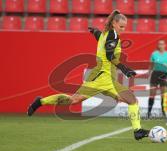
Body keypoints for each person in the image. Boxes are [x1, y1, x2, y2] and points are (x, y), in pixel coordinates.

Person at [27, 10, 149, 140]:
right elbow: (109, 55)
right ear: (114, 23)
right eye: (121, 26)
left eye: (124, 27)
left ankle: (137, 131)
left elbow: (101, 40)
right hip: (100, 77)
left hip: (108, 79)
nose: (123, 29)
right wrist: (125, 69)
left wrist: (95, 32)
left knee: (132, 100)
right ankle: (40, 101)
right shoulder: (112, 35)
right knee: (73, 100)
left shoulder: (106, 34)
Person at [147, 40, 167, 119]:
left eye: (162, 44)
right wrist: (149, 73)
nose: (161, 45)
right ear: (158, 45)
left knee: (163, 94)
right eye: (159, 44)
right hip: (155, 74)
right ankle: (149, 112)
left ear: (165, 45)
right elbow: (151, 66)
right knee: (152, 94)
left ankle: (164, 112)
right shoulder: (154, 54)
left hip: (164, 75)